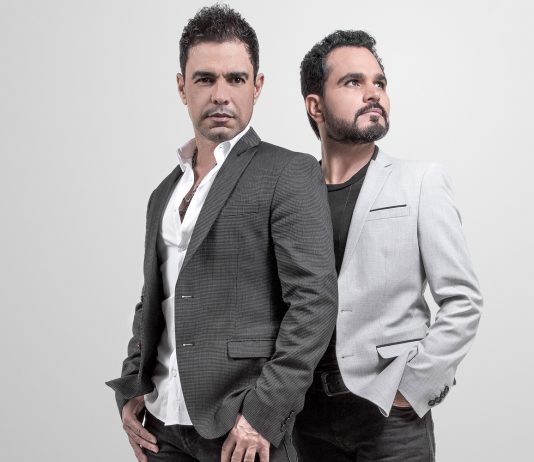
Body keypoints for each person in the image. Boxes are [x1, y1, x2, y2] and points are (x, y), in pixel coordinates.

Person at [106, 5, 338, 462]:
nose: (220, 95)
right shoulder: (163, 193)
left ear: (257, 86)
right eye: (204, 79)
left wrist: (263, 414)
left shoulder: (287, 173)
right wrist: (133, 382)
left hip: (239, 426)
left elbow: (315, 303)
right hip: (162, 423)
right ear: (182, 87)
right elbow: (154, 297)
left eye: (235, 79)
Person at [295, 30, 483, 461]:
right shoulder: (291, 192)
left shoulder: (420, 182)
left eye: (379, 82)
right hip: (305, 417)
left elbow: (463, 299)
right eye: (353, 82)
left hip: (388, 415)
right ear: (315, 106)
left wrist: (412, 388)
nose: (373, 93)